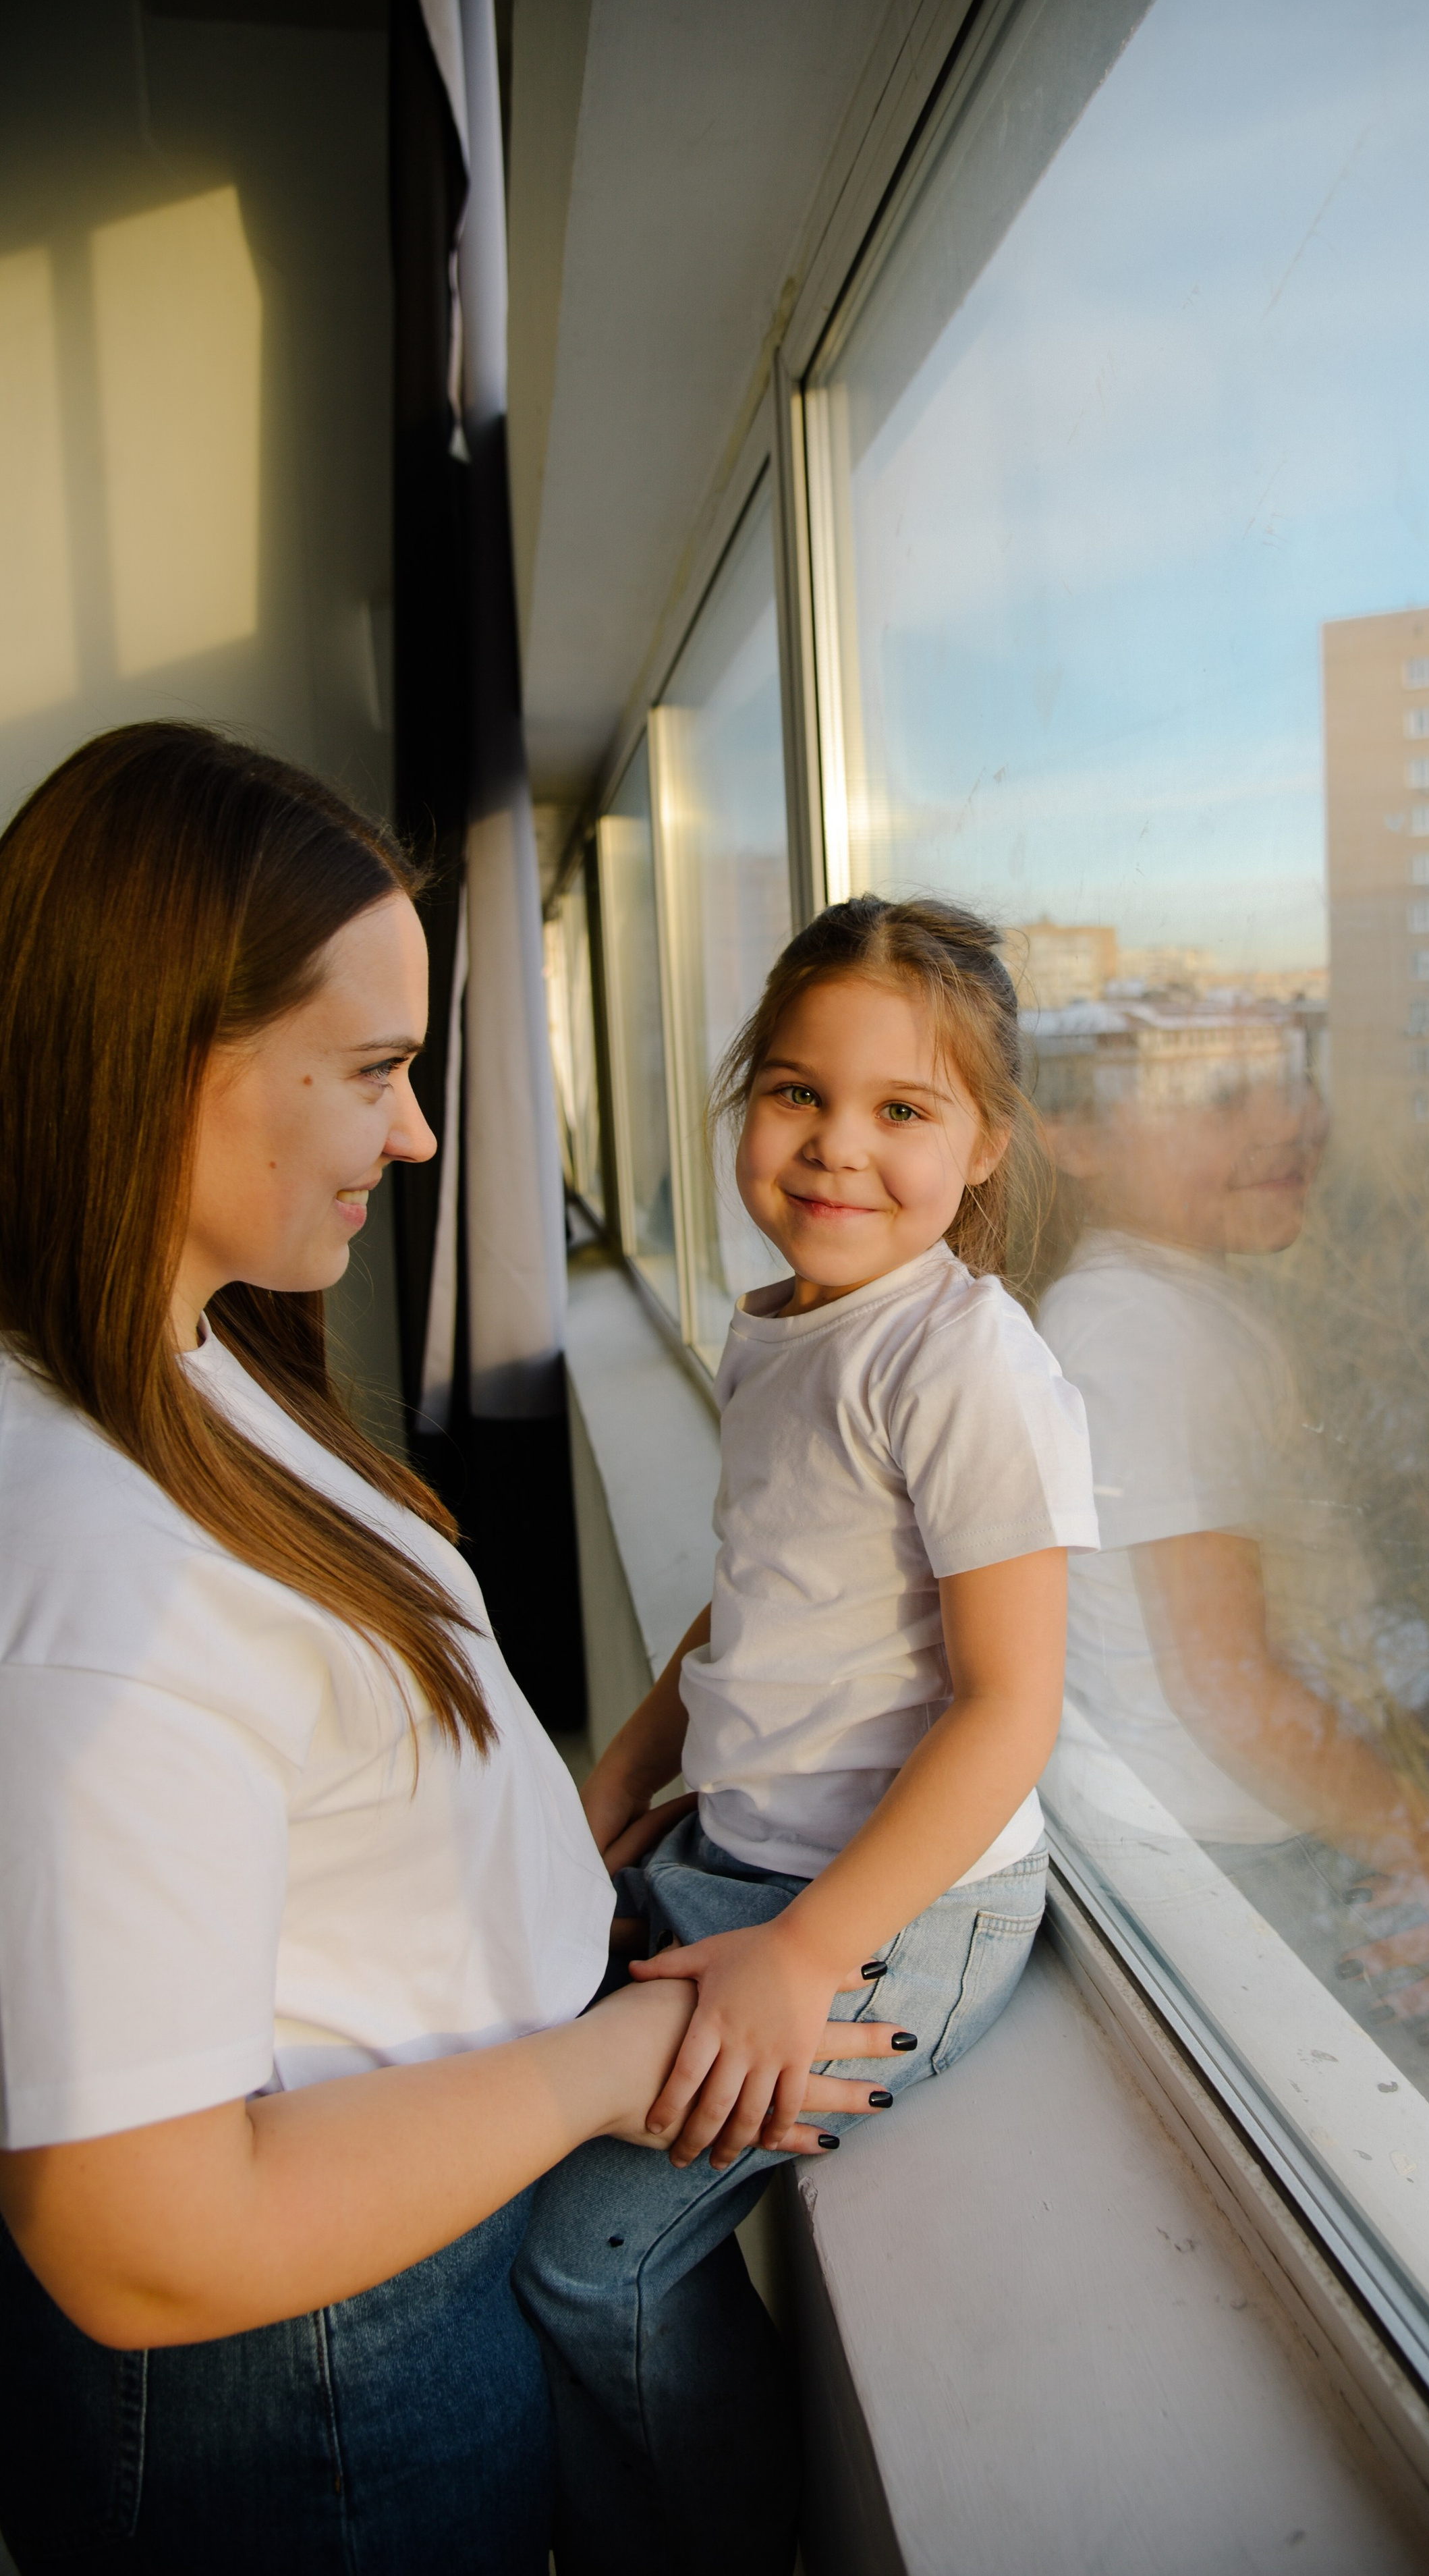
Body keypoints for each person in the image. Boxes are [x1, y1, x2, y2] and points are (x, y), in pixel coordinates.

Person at [0, 724, 901, 2576]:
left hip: (391, 2267)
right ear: (164, 1053)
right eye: (374, 1072)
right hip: (308, 2368)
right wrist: (619, 2056)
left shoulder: (189, 1356)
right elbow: (138, 2231)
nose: (415, 1135)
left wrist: (586, 1831)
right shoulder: (93, 1563)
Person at [515, 896, 1098, 2575]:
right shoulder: (781, 1324)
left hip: (889, 1914)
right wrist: (624, 1774)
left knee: (587, 2259)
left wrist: (805, 1953)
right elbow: (759, 1587)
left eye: (903, 1111)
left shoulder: (961, 1361)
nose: (836, 1149)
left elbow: (1010, 1708)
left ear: (984, 1145)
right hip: (738, 1857)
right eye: (794, 1094)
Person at [1033, 1019, 1429, 2027]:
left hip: (1251, 1832)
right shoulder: (1141, 1334)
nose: (1293, 1120)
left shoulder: (1174, 1302)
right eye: (1223, 1099)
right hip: (1239, 1863)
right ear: (1075, 1139)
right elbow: (1229, 1686)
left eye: (1295, 1083)